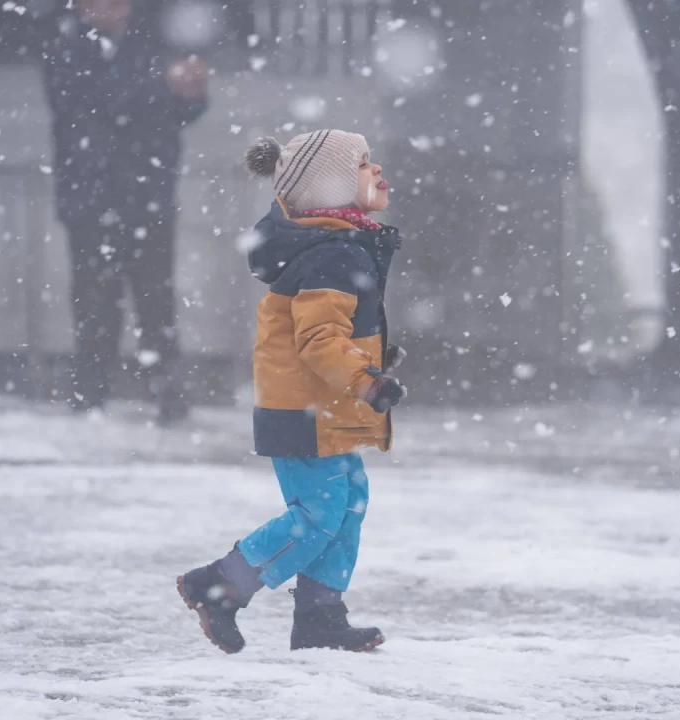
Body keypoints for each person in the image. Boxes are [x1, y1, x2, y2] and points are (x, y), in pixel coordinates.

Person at [176, 130, 407, 653]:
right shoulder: (330, 254)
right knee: (320, 511)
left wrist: (373, 362)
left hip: (323, 404)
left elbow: (338, 331)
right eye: (361, 165)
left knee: (347, 504)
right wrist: (365, 379)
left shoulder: (341, 245)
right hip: (304, 409)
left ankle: (321, 615)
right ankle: (219, 586)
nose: (375, 170)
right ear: (329, 191)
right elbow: (319, 339)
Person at [38, 0, 208, 424]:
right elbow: (96, 101)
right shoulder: (65, 48)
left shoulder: (152, 46)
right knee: (94, 301)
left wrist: (191, 93)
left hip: (146, 196)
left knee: (155, 302)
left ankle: (166, 397)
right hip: (91, 198)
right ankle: (91, 395)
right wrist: (163, 87)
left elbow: (178, 112)